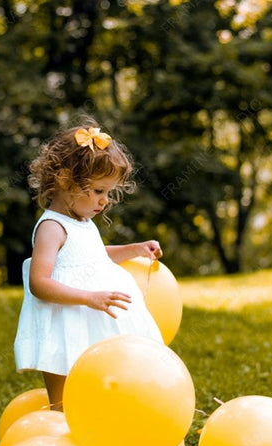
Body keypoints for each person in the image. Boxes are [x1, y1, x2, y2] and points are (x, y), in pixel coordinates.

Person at [13, 119, 164, 411]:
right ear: (65, 181)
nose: (105, 201)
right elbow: (39, 283)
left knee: (98, 391)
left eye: (108, 192)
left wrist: (135, 249)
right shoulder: (52, 227)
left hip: (91, 321)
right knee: (64, 401)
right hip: (64, 323)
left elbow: (93, 257)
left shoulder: (81, 222)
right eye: (98, 191)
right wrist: (88, 297)